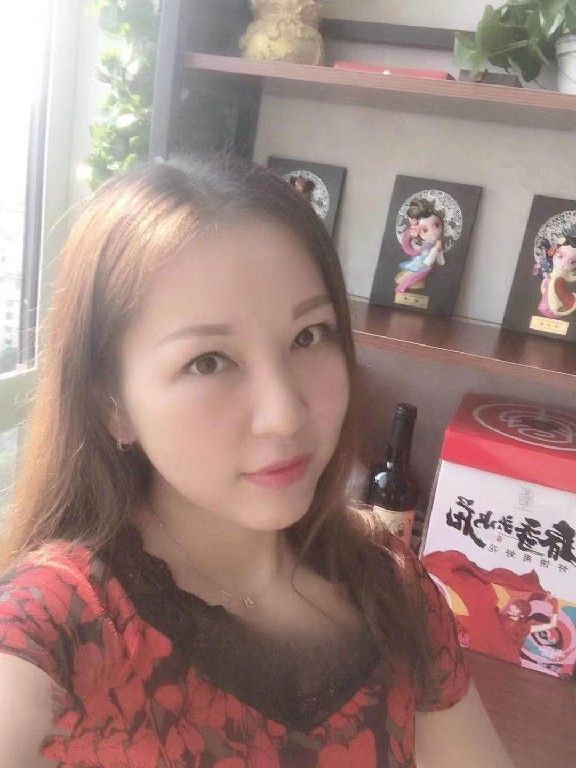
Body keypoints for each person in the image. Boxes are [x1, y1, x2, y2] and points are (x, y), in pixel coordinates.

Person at [0, 156, 514, 767]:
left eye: (308, 336)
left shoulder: (390, 584)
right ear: (112, 405)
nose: (284, 415)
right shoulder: (63, 619)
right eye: (208, 362)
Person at [395, 197, 445, 294]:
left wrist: (438, 251)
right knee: (418, 274)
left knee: (417, 275)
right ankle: (402, 287)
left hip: (427, 261)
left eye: (436, 225)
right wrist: (436, 249)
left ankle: (403, 285)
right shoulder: (429, 245)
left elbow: (438, 255)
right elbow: (429, 258)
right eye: (425, 230)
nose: (433, 232)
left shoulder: (436, 241)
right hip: (425, 261)